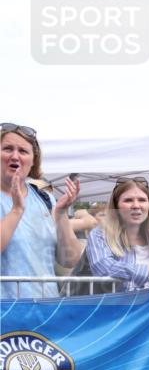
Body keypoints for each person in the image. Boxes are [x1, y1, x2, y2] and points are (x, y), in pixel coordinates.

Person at [1, 123, 83, 299]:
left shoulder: (45, 199)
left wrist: (61, 214)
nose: (15, 156)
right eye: (7, 149)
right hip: (4, 314)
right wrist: (16, 210)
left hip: (44, 313)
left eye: (23, 151)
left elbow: (71, 259)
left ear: (33, 161)